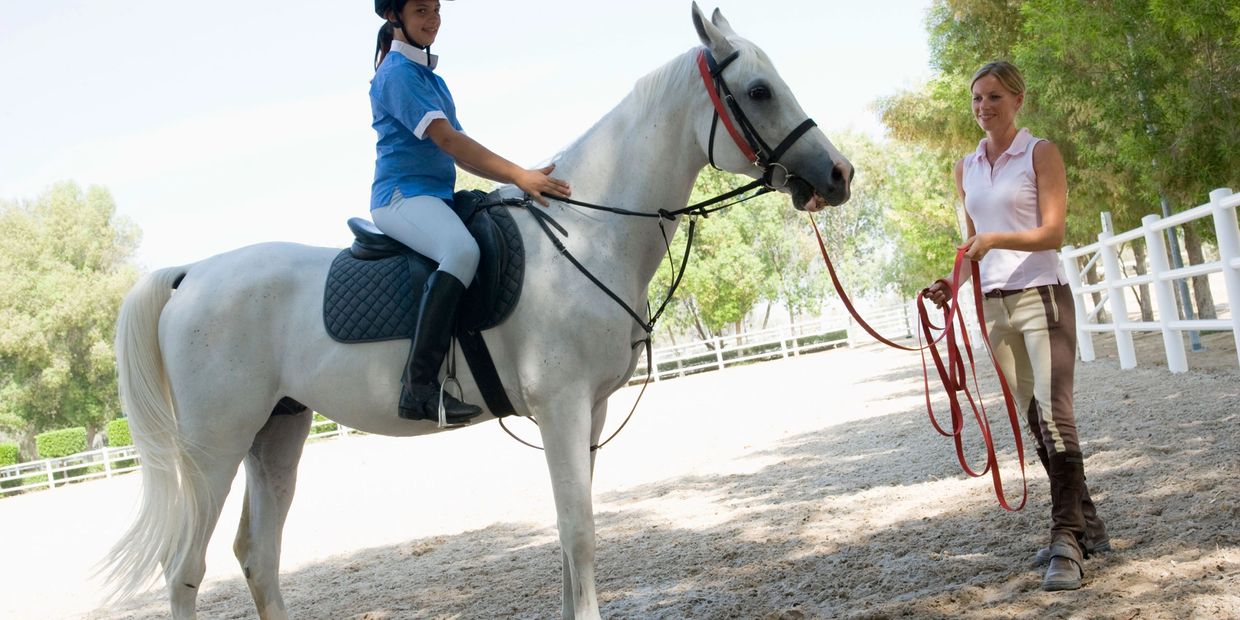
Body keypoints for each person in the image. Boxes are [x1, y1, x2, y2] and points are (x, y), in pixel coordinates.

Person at [925, 60, 1109, 592]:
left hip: (1042, 298)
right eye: (977, 99)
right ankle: (1087, 524)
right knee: (1034, 420)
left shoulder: (1039, 153)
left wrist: (994, 241)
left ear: (1018, 100)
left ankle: (1065, 540)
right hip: (994, 307)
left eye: (994, 97)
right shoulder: (966, 167)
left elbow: (1052, 233)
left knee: (1056, 417)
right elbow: (971, 244)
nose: (984, 107)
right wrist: (951, 280)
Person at [369, 0, 571, 424]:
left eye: (437, 10)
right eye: (421, 10)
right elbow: (448, 141)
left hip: (436, 195)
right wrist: (520, 174)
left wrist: (515, 180)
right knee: (460, 251)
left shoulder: (430, 77)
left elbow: (461, 156)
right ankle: (418, 388)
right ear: (394, 16)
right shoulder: (397, 74)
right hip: (401, 197)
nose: (434, 19)